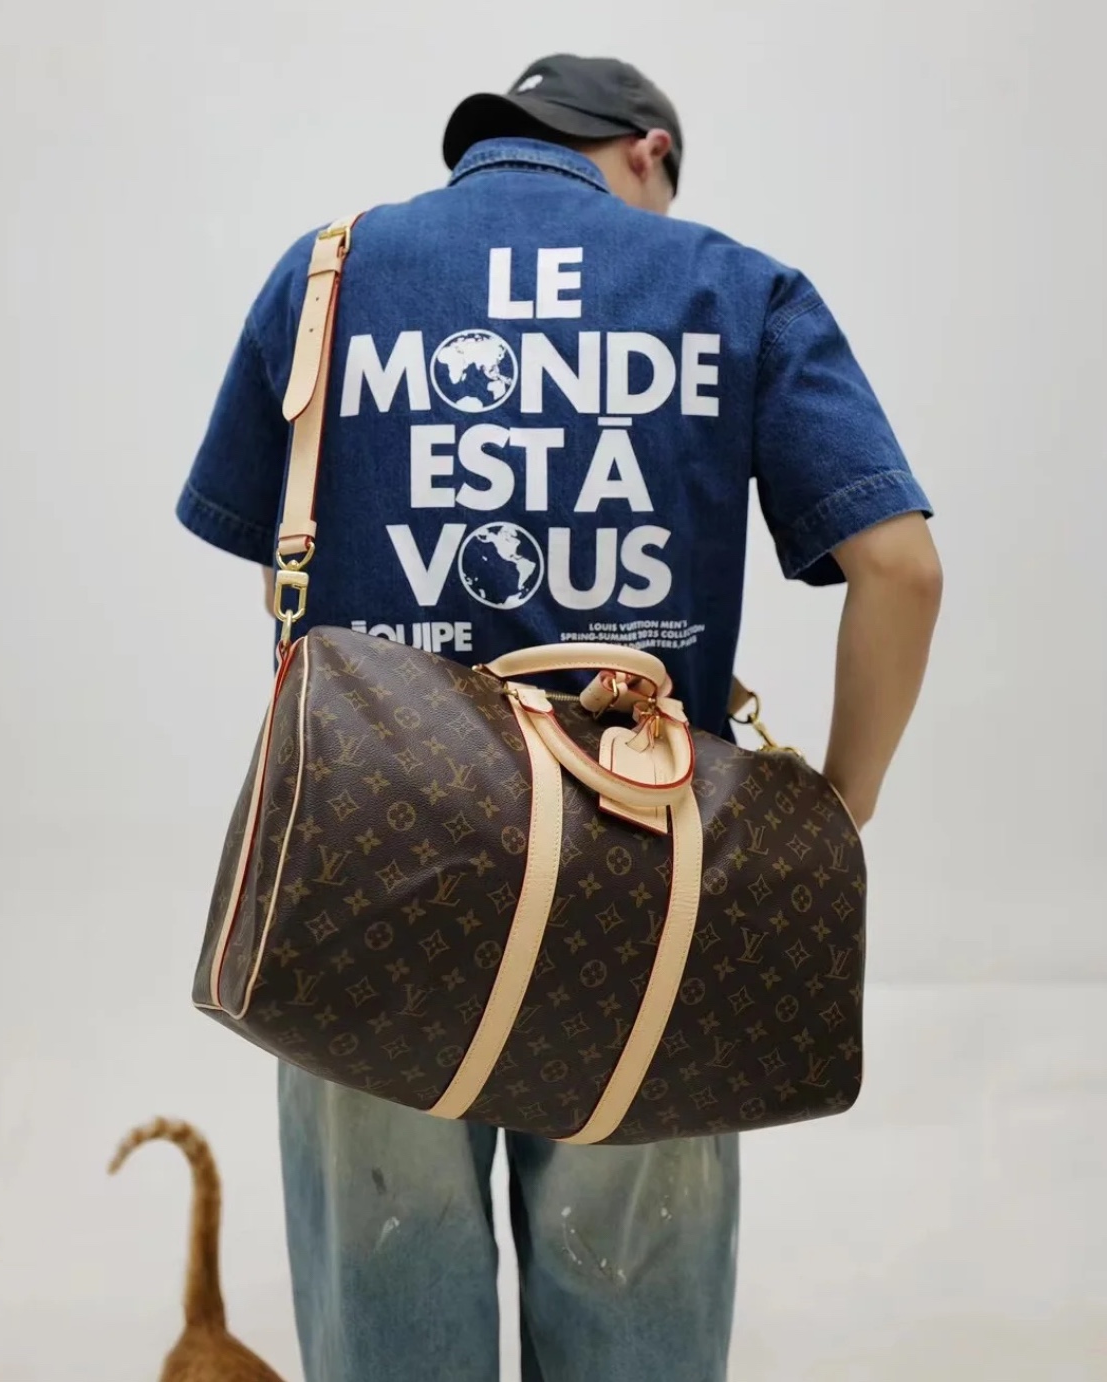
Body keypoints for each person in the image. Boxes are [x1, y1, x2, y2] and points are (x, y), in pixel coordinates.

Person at [177, 52, 942, 1382]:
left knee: (385, 1287)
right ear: (650, 151)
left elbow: (286, 573)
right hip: (649, 890)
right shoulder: (734, 285)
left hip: (375, 878)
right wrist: (842, 804)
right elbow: (904, 568)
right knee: (632, 1293)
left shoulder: (328, 274)